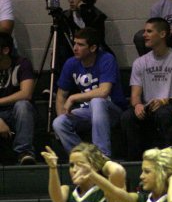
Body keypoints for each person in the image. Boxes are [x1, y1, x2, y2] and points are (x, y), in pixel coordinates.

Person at [121, 18, 172, 161]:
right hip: (147, 106)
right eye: (144, 32)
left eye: (149, 31)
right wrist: (138, 105)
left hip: (170, 105)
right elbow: (135, 96)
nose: (144, 35)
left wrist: (164, 101)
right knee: (127, 117)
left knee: (164, 114)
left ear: (162, 34)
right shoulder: (140, 62)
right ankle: (134, 163)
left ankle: (169, 160)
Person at [52, 27, 128, 158]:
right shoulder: (71, 63)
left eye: (80, 45)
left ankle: (102, 155)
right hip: (87, 112)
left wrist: (74, 97)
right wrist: (62, 114)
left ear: (93, 48)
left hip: (112, 111)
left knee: (97, 101)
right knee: (59, 123)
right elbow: (61, 95)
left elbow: (104, 91)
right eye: (75, 43)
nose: (75, 48)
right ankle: (84, 158)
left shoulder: (106, 59)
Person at [0, 32, 36, 164]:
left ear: (5, 50)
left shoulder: (22, 64)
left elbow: (26, 93)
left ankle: (24, 152)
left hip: (15, 113)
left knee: (23, 105)